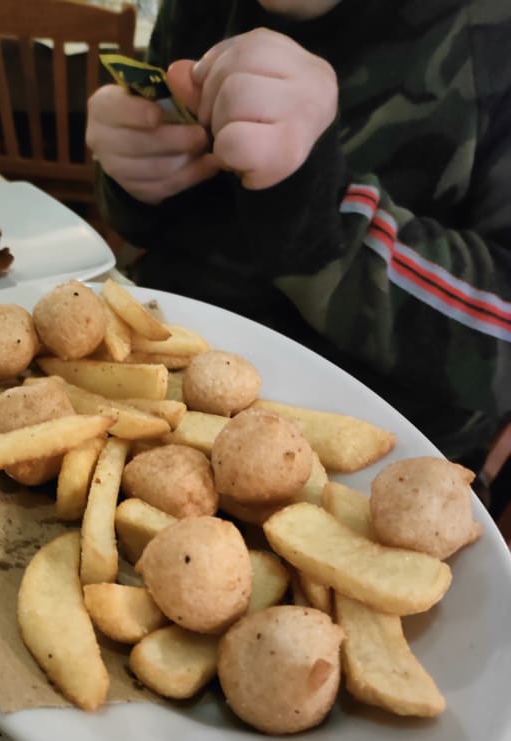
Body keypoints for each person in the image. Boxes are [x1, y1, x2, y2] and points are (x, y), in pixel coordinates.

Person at [86, 0, 511, 470]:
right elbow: (149, 226)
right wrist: (133, 180)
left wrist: (316, 210)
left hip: (380, 468)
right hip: (140, 401)